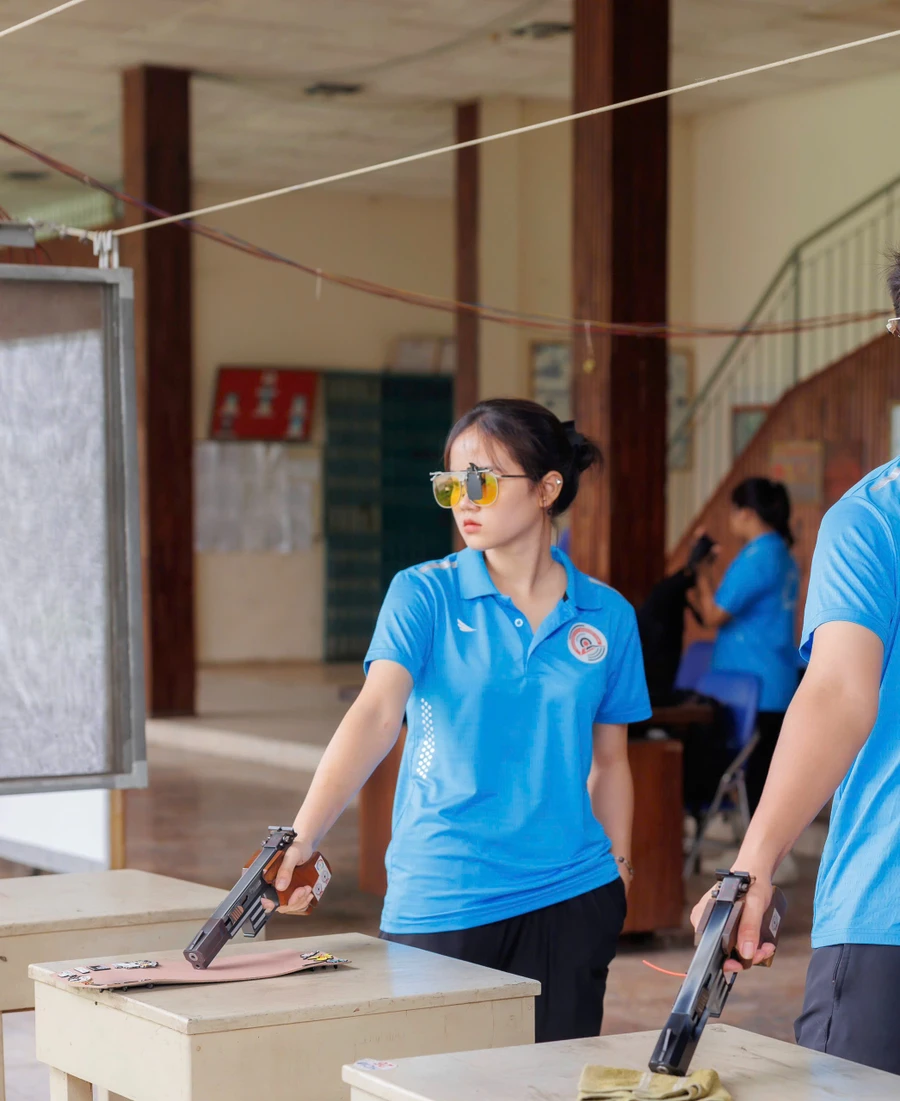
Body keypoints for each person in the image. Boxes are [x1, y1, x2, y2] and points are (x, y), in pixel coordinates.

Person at [262, 398, 651, 1043]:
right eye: (451, 485)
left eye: (483, 482)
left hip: (572, 895)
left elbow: (610, 761)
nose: (463, 501)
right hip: (444, 891)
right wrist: (302, 836)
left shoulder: (607, 615)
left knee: (551, 1087)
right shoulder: (425, 593)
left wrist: (621, 869)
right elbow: (377, 712)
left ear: (548, 488)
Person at [689, 257, 900, 1075]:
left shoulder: (868, 517)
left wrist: (753, 865)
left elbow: (844, 688)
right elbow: (842, 689)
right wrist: (754, 865)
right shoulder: (873, 521)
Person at [693, 479, 799, 812]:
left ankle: (757, 859)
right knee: (766, 777)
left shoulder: (757, 557)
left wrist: (701, 572)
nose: (732, 518)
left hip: (752, 686)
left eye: (734, 511)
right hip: (775, 682)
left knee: (754, 782)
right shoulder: (781, 552)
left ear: (748, 513)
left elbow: (713, 615)